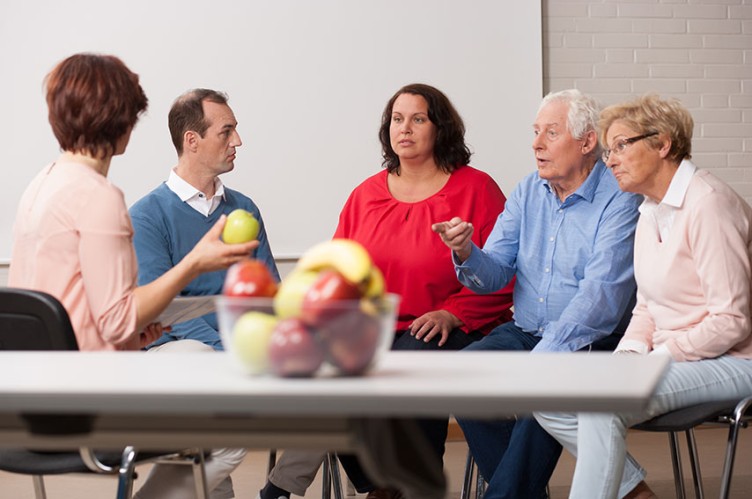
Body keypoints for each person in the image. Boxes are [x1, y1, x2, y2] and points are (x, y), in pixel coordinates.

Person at [8, 53, 255, 499]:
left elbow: (66, 310)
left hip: (35, 396)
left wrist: (132, 337)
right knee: (233, 419)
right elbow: (120, 318)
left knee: (211, 477)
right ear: (120, 121)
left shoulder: (42, 185)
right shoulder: (98, 196)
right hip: (90, 400)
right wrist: (194, 264)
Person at [258, 83, 514, 499]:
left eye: (418, 119)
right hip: (376, 327)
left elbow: (503, 273)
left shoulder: (476, 189)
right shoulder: (366, 195)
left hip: (450, 326)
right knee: (330, 369)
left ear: (440, 128)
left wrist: (454, 313)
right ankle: (382, 484)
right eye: (397, 119)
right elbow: (338, 270)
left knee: (406, 361)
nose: (405, 129)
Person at [534, 95, 752, 499]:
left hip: (736, 360)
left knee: (604, 403)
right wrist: (630, 356)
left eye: (621, 145)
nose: (610, 158)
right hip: (677, 357)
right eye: (608, 148)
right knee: (549, 395)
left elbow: (732, 321)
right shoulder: (649, 210)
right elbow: (646, 305)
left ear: (663, 144)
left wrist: (656, 360)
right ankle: (636, 494)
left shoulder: (708, 204)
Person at [431, 89, 641, 499]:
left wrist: (543, 359)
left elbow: (601, 299)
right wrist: (465, 251)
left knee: (542, 397)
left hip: (594, 340)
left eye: (551, 132)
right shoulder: (529, 190)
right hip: (526, 330)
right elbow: (494, 273)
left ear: (586, 142)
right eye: (535, 132)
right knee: (461, 378)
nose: (536, 143)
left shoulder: (620, 198)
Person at [130, 88, 279, 351]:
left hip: (245, 347)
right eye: (226, 132)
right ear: (192, 141)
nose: (237, 141)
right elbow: (167, 311)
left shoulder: (245, 209)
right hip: (182, 348)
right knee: (196, 350)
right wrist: (225, 350)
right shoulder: (146, 217)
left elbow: (270, 293)